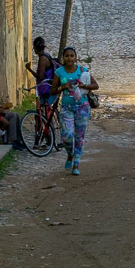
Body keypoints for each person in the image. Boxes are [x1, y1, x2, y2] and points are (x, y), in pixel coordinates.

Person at [52, 46, 98, 175]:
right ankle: (70, 154)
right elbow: (52, 90)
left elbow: (96, 85)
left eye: (72, 55)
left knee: (79, 137)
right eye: (67, 56)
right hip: (67, 108)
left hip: (82, 107)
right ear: (63, 58)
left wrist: (84, 85)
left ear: (75, 57)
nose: (69, 58)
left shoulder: (83, 70)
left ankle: (76, 164)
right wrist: (63, 86)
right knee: (67, 136)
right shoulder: (59, 72)